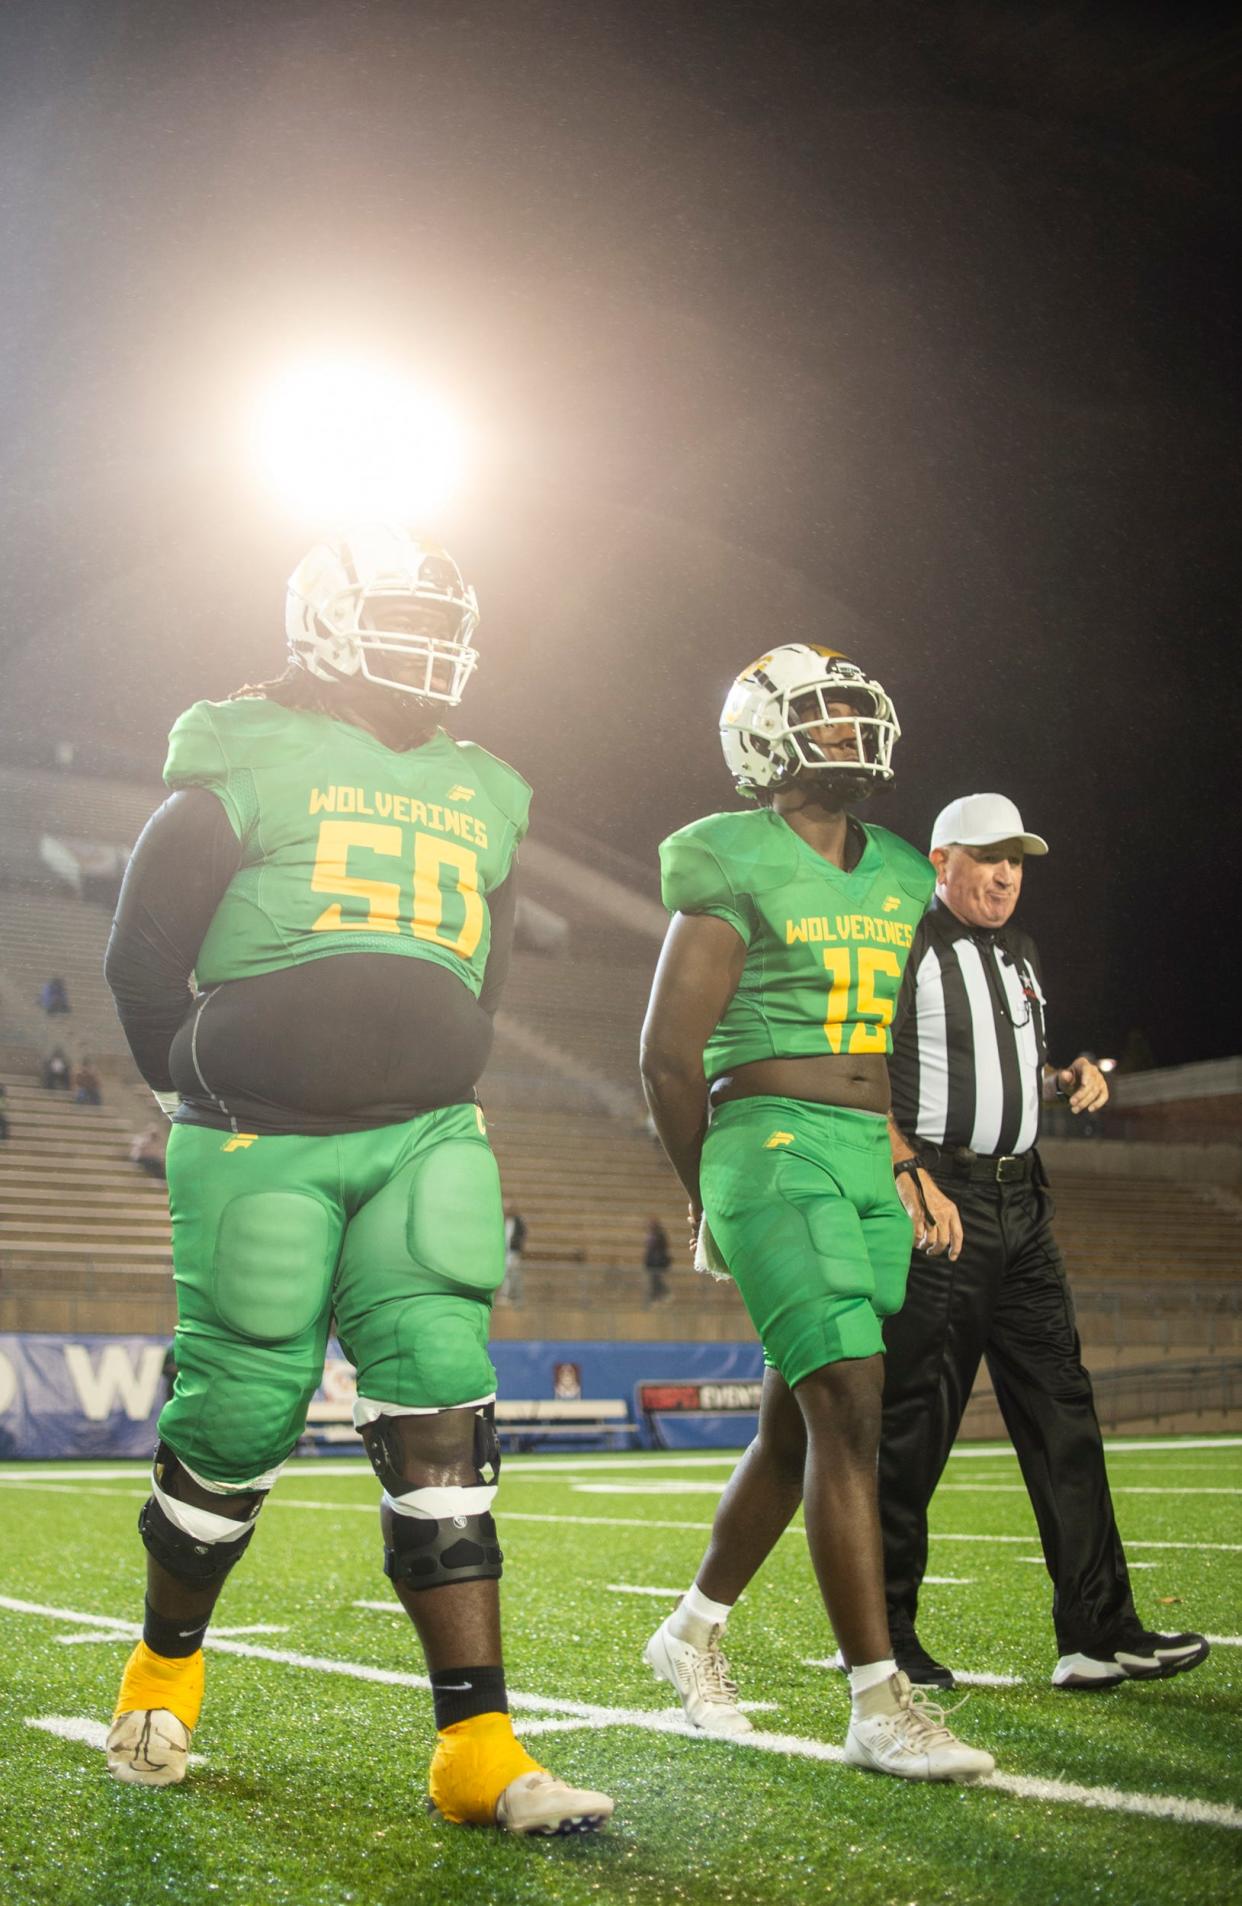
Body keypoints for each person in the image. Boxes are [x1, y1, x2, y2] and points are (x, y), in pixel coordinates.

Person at [102, 523, 612, 1835]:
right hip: (259, 1134)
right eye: (396, 615)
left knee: (445, 1408)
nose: (427, 642)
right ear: (323, 619)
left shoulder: (482, 784)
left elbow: (481, 968)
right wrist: (214, 1076)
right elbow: (142, 951)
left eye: (442, 621)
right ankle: (162, 1671)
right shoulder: (249, 746)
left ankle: (479, 1748)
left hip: (425, 1133)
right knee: (242, 1404)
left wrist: (420, 1056)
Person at [638, 644, 993, 1783]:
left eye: (853, 715)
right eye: (819, 718)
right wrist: (711, 1195)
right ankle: (878, 1702)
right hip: (768, 1145)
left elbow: (879, 1041)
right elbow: (666, 1054)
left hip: (857, 1151)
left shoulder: (895, 869)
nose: (843, 735)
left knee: (797, 1427)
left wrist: (898, 1156)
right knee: (851, 1401)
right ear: (763, 740)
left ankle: (687, 1635)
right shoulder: (725, 853)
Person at [878, 792, 1210, 1692]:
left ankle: (1097, 1632)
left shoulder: (1019, 951)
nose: (1006, 874)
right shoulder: (901, 942)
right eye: (988, 857)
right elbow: (860, 1067)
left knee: (1066, 1416)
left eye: (1017, 859)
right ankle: (881, 1641)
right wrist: (905, 1168)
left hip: (1024, 1204)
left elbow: (1010, 1067)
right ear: (940, 859)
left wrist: (1064, 1080)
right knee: (916, 1427)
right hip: (944, 1203)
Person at [499, 1205, 526, 1306]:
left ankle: (517, 1297)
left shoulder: (518, 1222)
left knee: (515, 1275)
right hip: (505, 1252)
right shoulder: (504, 1221)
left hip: (514, 1252)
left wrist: (517, 1248)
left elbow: (522, 1235)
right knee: (505, 1274)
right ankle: (505, 1296)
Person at [642, 1217, 671, 1306]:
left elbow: (663, 1248)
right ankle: (657, 1297)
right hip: (652, 1262)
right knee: (654, 1280)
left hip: (658, 1262)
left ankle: (661, 1295)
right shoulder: (650, 1235)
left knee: (657, 1280)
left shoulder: (660, 1236)